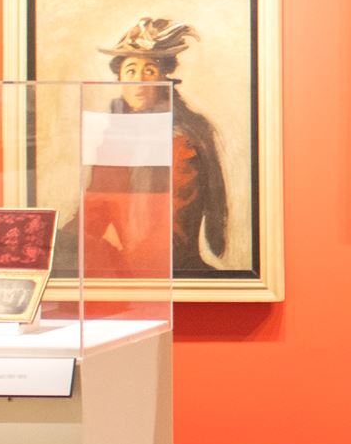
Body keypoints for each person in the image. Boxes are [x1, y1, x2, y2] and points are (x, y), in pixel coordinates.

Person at [67, 17, 232, 280]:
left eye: (150, 71)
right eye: (131, 70)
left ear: (165, 77)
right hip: (126, 271)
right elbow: (95, 208)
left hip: (172, 270)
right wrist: (59, 243)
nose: (140, 81)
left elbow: (174, 222)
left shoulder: (183, 137)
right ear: (119, 77)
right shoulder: (113, 135)